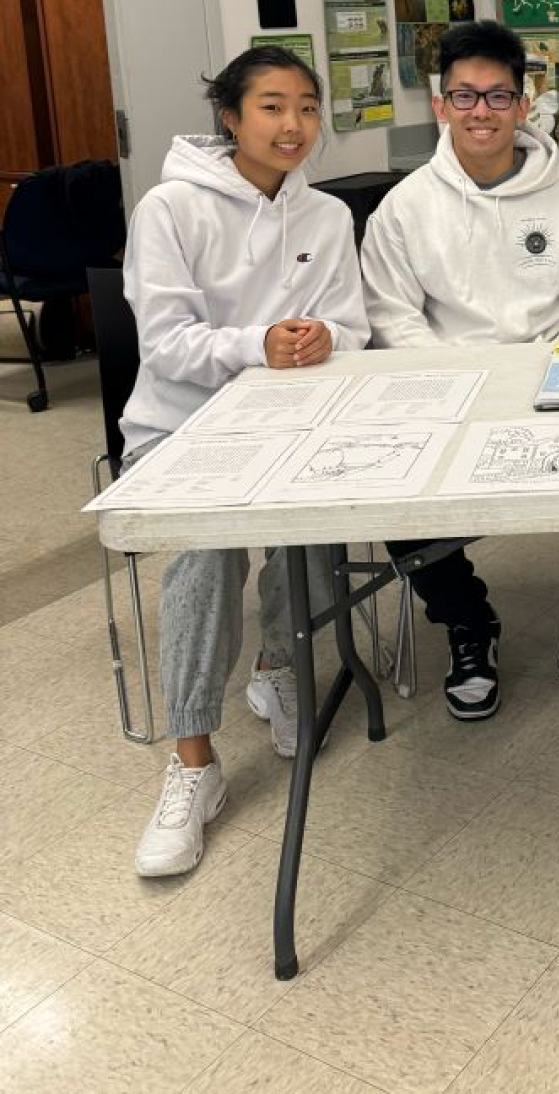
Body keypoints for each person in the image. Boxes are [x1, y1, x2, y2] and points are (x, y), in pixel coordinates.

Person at [360, 19, 559, 727]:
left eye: (497, 96)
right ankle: (468, 622)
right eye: (465, 96)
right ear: (440, 104)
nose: (481, 112)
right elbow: (391, 318)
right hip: (449, 395)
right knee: (393, 489)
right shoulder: (404, 208)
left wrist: (546, 381)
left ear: (525, 104)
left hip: (557, 387)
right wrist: (468, 388)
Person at [126, 46, 370, 877]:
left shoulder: (327, 217)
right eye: (272, 105)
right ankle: (194, 758)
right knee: (208, 549)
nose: (294, 124)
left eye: (306, 106)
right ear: (229, 116)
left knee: (316, 523)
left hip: (293, 424)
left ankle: (279, 665)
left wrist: (326, 335)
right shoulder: (169, 208)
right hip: (186, 426)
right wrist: (258, 345)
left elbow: (354, 325)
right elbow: (163, 344)